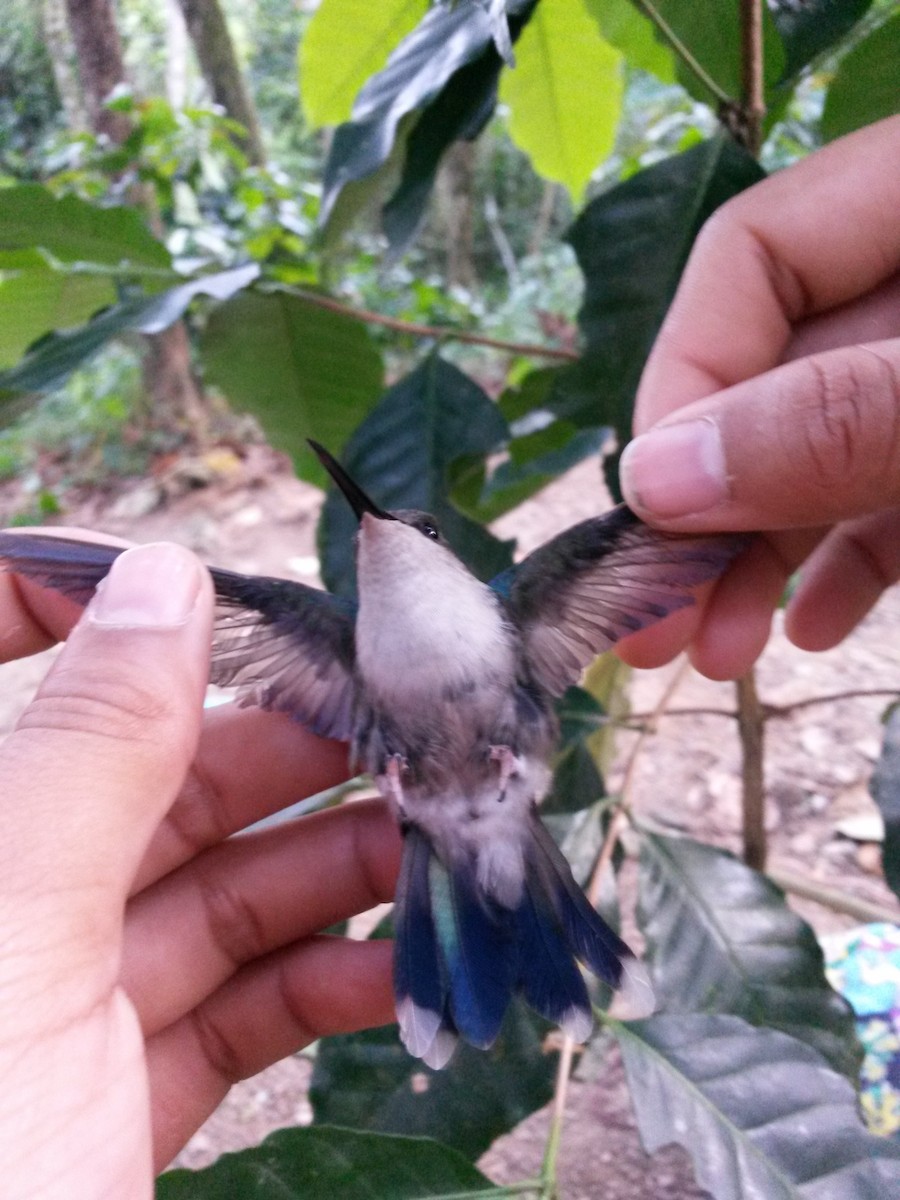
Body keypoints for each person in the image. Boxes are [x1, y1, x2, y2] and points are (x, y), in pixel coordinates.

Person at [0, 114, 897, 1196]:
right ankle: (507, 978)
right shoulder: (321, 637)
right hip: (426, 807)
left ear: (453, 560)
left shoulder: (539, 602)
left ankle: (541, 973)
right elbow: (189, 606)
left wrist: (777, 470)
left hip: (504, 789)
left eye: (416, 532)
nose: (385, 536)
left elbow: (670, 538)